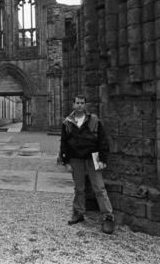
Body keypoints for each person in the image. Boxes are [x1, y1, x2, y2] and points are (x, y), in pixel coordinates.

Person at [59, 94, 115, 234]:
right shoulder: (67, 122)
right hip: (75, 158)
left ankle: (108, 216)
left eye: (82, 103)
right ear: (73, 105)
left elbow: (102, 140)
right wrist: (65, 161)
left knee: (99, 187)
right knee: (79, 187)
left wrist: (102, 159)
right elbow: (64, 143)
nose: (79, 105)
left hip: (93, 157)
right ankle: (78, 213)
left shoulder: (94, 120)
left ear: (85, 105)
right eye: (77, 102)